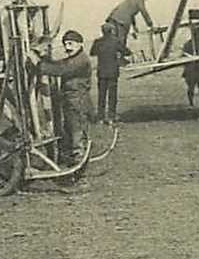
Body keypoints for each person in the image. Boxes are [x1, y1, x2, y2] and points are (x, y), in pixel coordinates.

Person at [29, 29, 94, 175]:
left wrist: (38, 64)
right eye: (65, 44)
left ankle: (78, 165)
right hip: (71, 100)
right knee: (71, 130)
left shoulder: (80, 60)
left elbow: (60, 69)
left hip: (78, 101)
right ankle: (74, 159)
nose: (67, 47)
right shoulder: (74, 58)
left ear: (80, 44)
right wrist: (45, 59)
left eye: (71, 43)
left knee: (76, 132)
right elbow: (59, 64)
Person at [89, 21, 128, 122]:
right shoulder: (115, 41)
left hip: (101, 72)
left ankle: (100, 116)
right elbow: (126, 51)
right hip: (113, 72)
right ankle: (111, 116)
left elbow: (92, 53)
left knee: (101, 95)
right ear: (111, 31)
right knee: (112, 95)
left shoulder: (97, 42)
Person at [181, 25, 199, 108]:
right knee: (191, 88)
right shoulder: (188, 44)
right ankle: (191, 104)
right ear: (195, 34)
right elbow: (184, 55)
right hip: (191, 70)